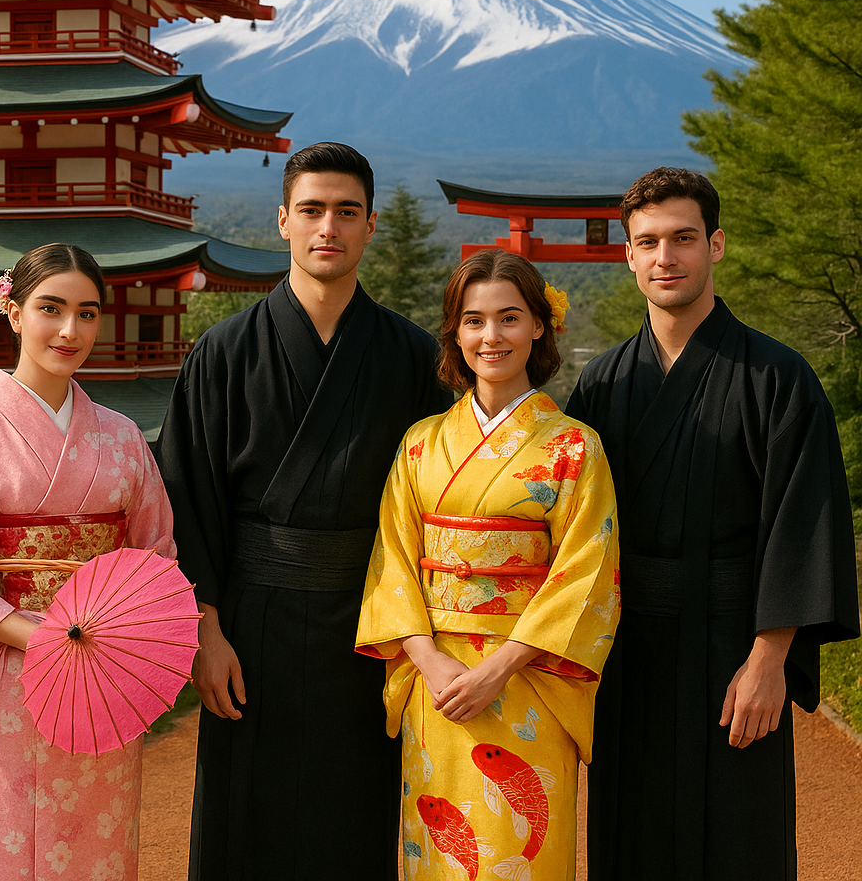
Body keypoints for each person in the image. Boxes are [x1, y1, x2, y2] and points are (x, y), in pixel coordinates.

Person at [155, 141, 451, 880]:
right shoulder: (223, 354)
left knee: (353, 821)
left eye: (346, 212)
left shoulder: (413, 358)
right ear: (283, 220)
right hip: (251, 626)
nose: (329, 227)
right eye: (312, 210)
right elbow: (186, 497)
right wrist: (205, 629)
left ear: (370, 226)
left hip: (370, 626)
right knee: (244, 820)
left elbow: (436, 507)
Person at [566, 167, 861, 881]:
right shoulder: (601, 384)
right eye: (649, 242)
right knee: (627, 837)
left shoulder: (777, 377)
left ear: (716, 246)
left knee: (739, 840)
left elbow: (804, 522)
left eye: (683, 239)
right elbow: (571, 531)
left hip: (735, 648)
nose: (666, 257)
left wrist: (769, 661)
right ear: (629, 257)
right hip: (627, 655)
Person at [0, 243, 176, 881]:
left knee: (101, 849)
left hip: (103, 674)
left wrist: (116, 635)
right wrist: (42, 634)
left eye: (87, 312)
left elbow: (154, 555)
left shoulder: (123, 436)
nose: (70, 330)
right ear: (14, 312)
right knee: (8, 851)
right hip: (9, 674)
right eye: (51, 309)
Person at [356, 249, 620, 880]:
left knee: (518, 848)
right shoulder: (420, 442)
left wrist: (500, 668)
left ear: (538, 327)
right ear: (455, 333)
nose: (490, 336)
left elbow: (586, 572)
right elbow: (392, 557)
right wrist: (428, 657)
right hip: (436, 680)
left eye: (509, 318)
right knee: (440, 847)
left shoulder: (574, 446)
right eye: (473, 321)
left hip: (526, 676)